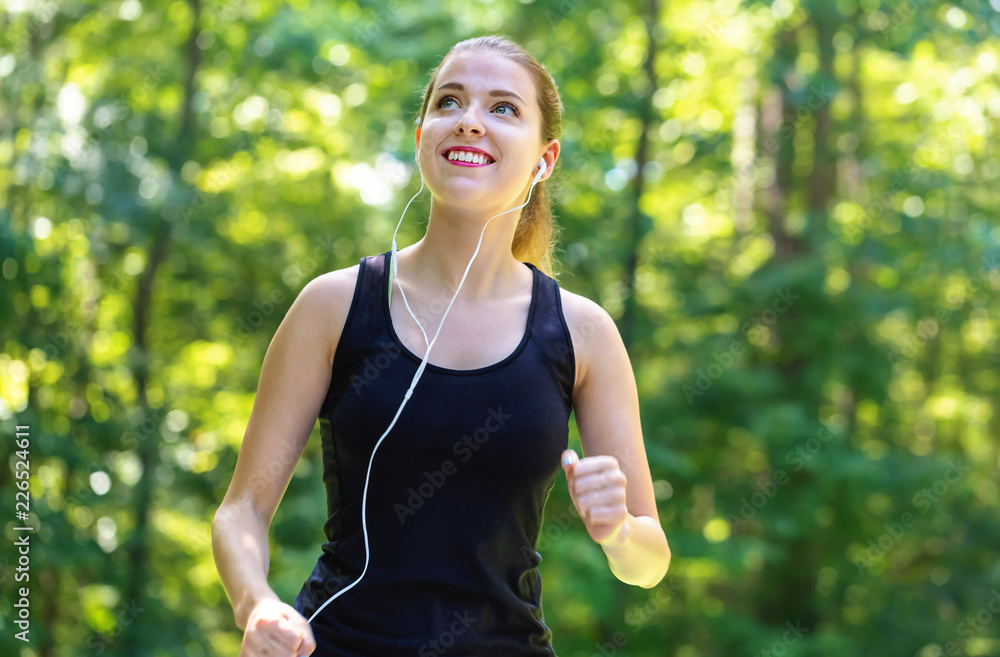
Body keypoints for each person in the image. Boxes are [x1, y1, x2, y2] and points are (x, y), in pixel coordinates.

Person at [212, 34, 671, 657]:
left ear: (545, 158)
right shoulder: (333, 306)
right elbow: (241, 511)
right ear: (424, 132)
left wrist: (617, 529)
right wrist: (257, 603)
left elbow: (647, 562)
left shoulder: (582, 333)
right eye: (450, 102)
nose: (471, 122)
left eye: (503, 108)